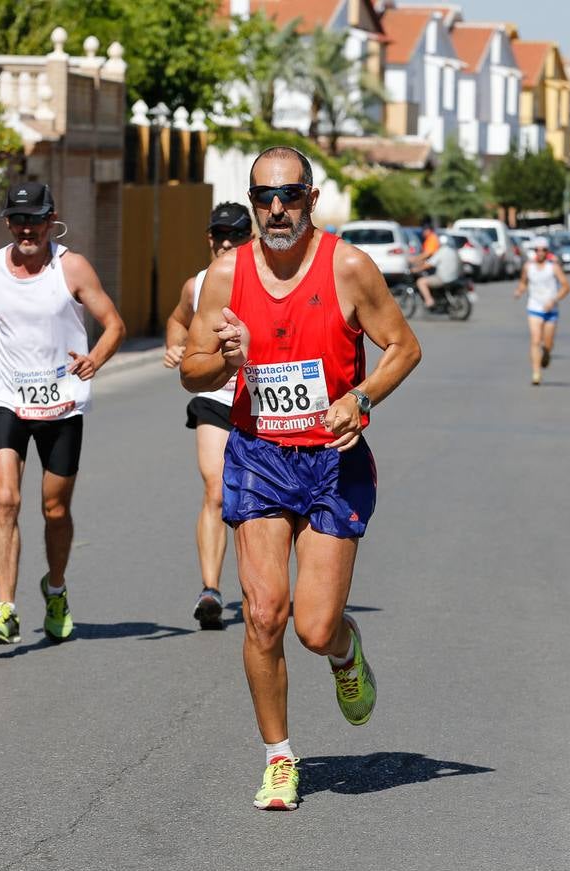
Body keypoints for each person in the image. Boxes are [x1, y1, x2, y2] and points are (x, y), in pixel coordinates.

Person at [180, 146, 422, 811]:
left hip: (331, 463)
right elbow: (192, 371)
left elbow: (404, 346)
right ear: (251, 202)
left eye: (289, 196)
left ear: (311, 199)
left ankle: (346, 651)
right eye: (263, 198)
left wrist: (363, 398)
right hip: (259, 454)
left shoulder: (348, 267)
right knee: (263, 615)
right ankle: (279, 758)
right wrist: (221, 358)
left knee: (314, 629)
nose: (276, 209)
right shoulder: (225, 276)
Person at [0, 182, 126, 646]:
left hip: (62, 402)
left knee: (54, 510)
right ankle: (4, 608)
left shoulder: (70, 267)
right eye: (17, 220)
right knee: (5, 500)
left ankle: (55, 588)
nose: (26, 228)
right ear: (8, 223)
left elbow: (114, 324)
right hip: (9, 398)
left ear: (52, 218)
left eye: (34, 219)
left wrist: (95, 357)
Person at [163, 202, 255, 628]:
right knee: (216, 488)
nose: (225, 243)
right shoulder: (197, 284)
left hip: (259, 402)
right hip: (215, 397)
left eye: (235, 236)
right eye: (219, 234)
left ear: (249, 238)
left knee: (253, 498)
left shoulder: (264, 280)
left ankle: (260, 588)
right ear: (209, 237)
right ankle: (211, 590)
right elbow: (178, 320)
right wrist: (176, 345)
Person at [515, 240, 570, 385]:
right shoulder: (528, 267)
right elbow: (523, 282)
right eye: (537, 250)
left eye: (544, 250)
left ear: (547, 252)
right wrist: (519, 291)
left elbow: (566, 287)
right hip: (534, 307)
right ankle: (536, 373)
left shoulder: (553, 268)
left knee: (548, 343)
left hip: (551, 309)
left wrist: (554, 300)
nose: (540, 253)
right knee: (535, 340)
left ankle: (546, 354)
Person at [412, 233, 463, 311]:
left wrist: (416, 269)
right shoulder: (453, 251)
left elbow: (429, 264)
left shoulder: (441, 252)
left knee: (421, 282)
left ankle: (429, 301)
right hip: (454, 277)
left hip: (443, 278)